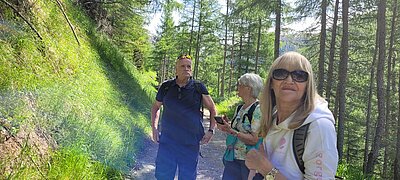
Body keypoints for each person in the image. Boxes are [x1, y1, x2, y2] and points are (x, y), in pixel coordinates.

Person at [245, 51, 338, 179]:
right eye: (280, 74)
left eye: (299, 75)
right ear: (271, 83)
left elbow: (264, 167)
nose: (289, 80)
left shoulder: (319, 126)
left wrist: (266, 169)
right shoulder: (272, 118)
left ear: (307, 85)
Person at [150, 54, 217, 180]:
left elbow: (213, 109)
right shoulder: (166, 87)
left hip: (190, 143)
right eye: (182, 66)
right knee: (163, 176)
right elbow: (155, 107)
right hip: (168, 142)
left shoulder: (198, 87)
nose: (186, 69)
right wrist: (154, 128)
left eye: (188, 66)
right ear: (176, 69)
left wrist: (211, 130)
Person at [217, 73, 264, 180]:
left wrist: (233, 131)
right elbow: (235, 130)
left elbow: (254, 140)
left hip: (248, 161)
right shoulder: (240, 108)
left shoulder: (258, 110)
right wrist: (226, 126)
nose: (237, 87)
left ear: (248, 88)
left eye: (240, 84)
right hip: (233, 156)